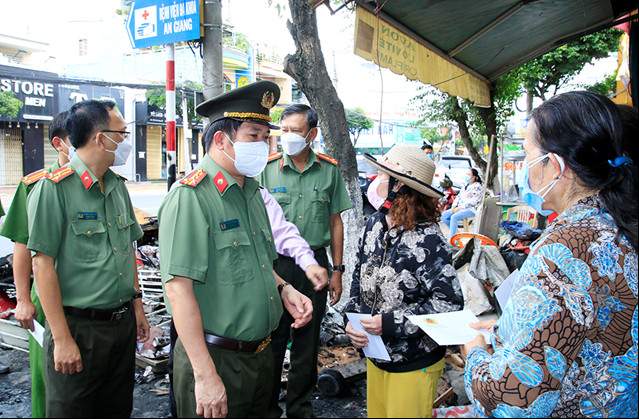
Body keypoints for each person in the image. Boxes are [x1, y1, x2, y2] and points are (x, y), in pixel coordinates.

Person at [463, 91, 637, 417]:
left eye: (528, 155)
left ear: (554, 165)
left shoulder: (565, 250)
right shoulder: (619, 224)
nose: (527, 167)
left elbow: (513, 399)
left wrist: (475, 353)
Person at [158, 80, 313, 418]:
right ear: (220, 139)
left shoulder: (252, 194)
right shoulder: (191, 198)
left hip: (260, 358)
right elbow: (178, 290)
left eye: (265, 137)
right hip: (216, 361)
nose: (264, 145)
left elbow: (257, 263)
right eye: (253, 136)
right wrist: (205, 375)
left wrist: (284, 288)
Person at [26, 100, 150, 417]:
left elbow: (127, 251)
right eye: (121, 134)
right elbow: (42, 265)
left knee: (116, 408)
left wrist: (137, 307)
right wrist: (62, 338)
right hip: (77, 328)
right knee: (72, 409)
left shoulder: (118, 188)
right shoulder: (53, 189)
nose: (125, 141)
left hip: (120, 327)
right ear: (99, 138)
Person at [344, 144, 464, 418]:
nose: (374, 183)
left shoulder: (429, 240)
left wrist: (391, 323)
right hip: (376, 356)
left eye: (383, 178)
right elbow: (358, 278)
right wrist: (350, 321)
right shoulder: (374, 224)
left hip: (414, 361)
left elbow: (450, 305)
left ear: (401, 188)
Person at [257, 104, 352, 418]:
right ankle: (268, 408)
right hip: (275, 266)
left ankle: (300, 408)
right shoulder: (265, 169)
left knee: (307, 343)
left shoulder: (328, 170)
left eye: (295, 131)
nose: (288, 137)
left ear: (312, 134)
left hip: (316, 267)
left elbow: (335, 221)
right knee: (272, 339)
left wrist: (337, 271)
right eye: (283, 130)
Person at [0, 111, 73, 417]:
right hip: (45, 297)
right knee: (48, 377)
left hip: (90, 300)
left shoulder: (105, 184)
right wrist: (22, 300)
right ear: (60, 144)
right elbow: (21, 247)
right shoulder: (36, 185)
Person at [440, 167, 482, 238]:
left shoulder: (477, 187)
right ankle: (455, 233)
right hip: (459, 208)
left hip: (471, 209)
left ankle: (452, 239)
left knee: (454, 217)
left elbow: (473, 201)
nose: (467, 176)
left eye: (468, 174)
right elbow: (458, 197)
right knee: (444, 216)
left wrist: (459, 208)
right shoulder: (465, 186)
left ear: (474, 177)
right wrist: (454, 206)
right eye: (466, 174)